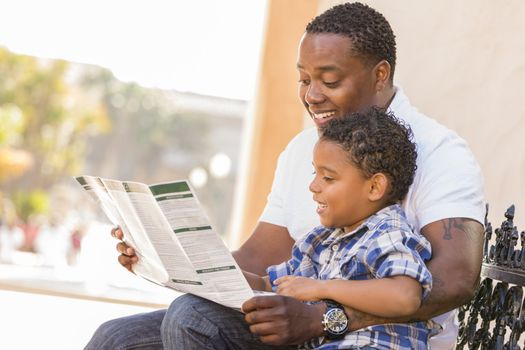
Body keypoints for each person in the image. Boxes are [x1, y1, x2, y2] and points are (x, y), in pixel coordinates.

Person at [86, 2, 485, 349]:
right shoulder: (302, 150)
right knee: (116, 340)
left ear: (380, 76)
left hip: (378, 338)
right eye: (304, 79)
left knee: (193, 320)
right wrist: (165, 257)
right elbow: (257, 261)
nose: (311, 95)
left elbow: (454, 280)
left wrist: (323, 317)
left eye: (330, 80)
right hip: (298, 325)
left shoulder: (439, 152)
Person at [243, 107, 435, 349]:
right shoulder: (320, 241)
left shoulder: (387, 231)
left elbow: (405, 297)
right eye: (315, 173)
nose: (313, 186)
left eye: (328, 178)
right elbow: (271, 285)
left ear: (375, 187)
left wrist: (322, 288)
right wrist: (210, 275)